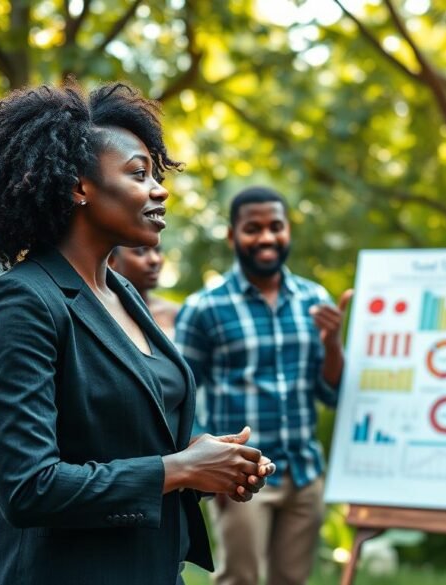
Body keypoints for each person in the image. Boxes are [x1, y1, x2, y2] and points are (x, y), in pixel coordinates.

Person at [0, 82, 274, 585]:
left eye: (156, 173)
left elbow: (119, 437)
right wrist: (181, 468)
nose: (160, 189)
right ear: (78, 186)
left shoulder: (123, 294)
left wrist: (213, 462)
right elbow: (27, 487)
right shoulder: (19, 303)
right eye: (138, 173)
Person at [175, 186, 351, 585]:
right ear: (232, 236)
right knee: (242, 579)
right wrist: (207, 463)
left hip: (304, 472)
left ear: (288, 230)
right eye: (253, 228)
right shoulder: (204, 308)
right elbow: (180, 394)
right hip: (242, 475)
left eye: (276, 226)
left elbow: (332, 393)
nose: (267, 237)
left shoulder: (315, 299)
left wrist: (333, 346)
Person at [109, 245, 179, 337]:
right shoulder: (103, 313)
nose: (155, 259)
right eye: (140, 252)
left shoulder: (177, 314)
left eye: (158, 251)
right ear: (111, 260)